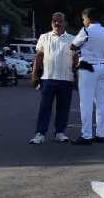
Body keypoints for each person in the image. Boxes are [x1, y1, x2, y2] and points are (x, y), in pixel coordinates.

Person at [29, 12, 75, 144]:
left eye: (60, 21)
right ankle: (40, 134)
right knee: (44, 107)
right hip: (47, 78)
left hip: (66, 79)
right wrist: (35, 76)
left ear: (65, 23)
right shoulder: (44, 37)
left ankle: (60, 133)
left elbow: (76, 58)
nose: (57, 23)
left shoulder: (72, 39)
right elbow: (39, 58)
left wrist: (78, 76)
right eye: (54, 21)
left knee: (63, 108)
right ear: (51, 22)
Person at [70, 7, 104, 145]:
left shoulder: (87, 30)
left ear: (88, 18)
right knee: (101, 103)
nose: (83, 21)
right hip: (102, 66)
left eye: (83, 19)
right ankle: (101, 134)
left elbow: (73, 46)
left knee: (86, 103)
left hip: (88, 66)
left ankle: (86, 135)